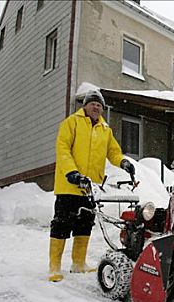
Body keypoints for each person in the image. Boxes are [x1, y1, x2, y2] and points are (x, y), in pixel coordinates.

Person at [48, 90, 135, 282]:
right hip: (68, 185)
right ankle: (54, 267)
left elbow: (113, 152)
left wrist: (123, 162)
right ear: (85, 106)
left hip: (90, 188)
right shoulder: (72, 122)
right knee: (61, 224)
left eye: (99, 105)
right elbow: (62, 149)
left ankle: (78, 263)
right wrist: (72, 172)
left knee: (85, 224)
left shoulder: (105, 129)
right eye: (93, 103)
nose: (96, 107)